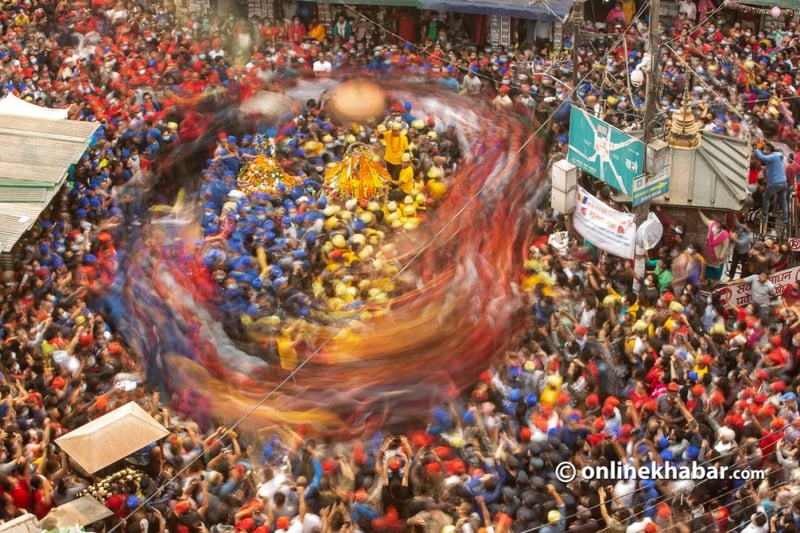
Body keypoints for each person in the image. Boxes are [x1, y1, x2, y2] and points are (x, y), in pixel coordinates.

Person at [754, 141, 789, 223]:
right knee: (783, 201)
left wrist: (755, 148)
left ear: (770, 150)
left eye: (767, 149)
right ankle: (785, 218)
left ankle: (765, 215)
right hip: (783, 183)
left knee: (765, 197)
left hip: (775, 183)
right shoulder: (779, 157)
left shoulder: (774, 156)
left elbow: (762, 157)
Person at [698, 210, 730, 282]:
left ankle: (715, 283)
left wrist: (721, 256)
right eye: (717, 223)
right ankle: (708, 281)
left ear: (721, 226)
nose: (716, 225)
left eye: (718, 224)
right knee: (708, 271)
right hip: (708, 256)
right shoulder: (712, 225)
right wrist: (700, 211)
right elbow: (705, 220)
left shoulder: (724, 235)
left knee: (716, 273)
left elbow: (725, 246)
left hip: (717, 258)